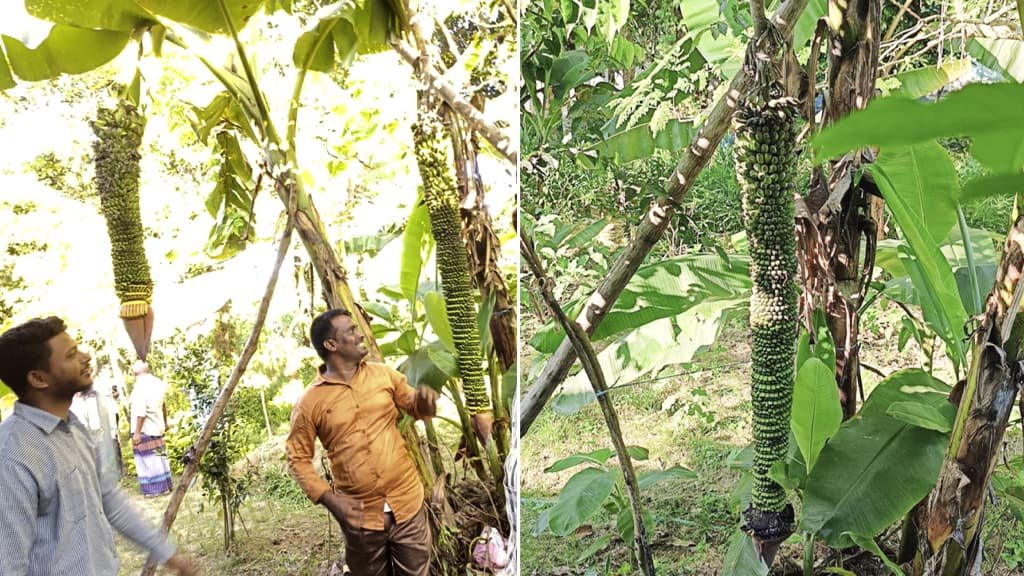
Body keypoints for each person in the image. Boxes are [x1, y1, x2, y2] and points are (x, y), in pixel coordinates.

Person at [0, 316, 197, 575]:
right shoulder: (13, 455)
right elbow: (8, 563)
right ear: (38, 379)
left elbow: (107, 500)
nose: (85, 357)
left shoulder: (73, 427)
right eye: (71, 355)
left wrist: (166, 553)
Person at [287, 309, 440, 576]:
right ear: (331, 345)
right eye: (350, 331)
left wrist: (424, 403)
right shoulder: (310, 402)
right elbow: (297, 459)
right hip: (361, 518)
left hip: (407, 502)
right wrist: (331, 500)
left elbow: (414, 406)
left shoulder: (383, 375)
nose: (360, 334)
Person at [129, 359, 173, 497]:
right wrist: (165, 423)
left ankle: (156, 489)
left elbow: (141, 411)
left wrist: (136, 433)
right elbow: (163, 405)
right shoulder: (157, 383)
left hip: (145, 428)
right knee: (159, 457)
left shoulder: (141, 386)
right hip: (157, 425)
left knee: (149, 460)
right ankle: (166, 485)